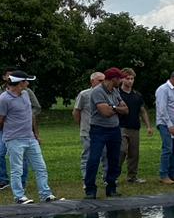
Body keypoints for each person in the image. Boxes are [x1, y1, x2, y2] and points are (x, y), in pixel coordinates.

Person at [0, 71, 60, 204]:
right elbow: (1, 119)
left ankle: (46, 194)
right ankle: (19, 196)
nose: (27, 83)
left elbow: (30, 115)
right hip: (14, 139)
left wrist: (36, 134)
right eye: (25, 81)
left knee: (41, 167)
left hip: (30, 138)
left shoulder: (26, 94)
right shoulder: (4, 99)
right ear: (19, 83)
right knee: (17, 169)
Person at [83, 67, 128, 198]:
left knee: (115, 158)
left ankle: (111, 187)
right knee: (94, 158)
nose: (121, 81)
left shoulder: (115, 91)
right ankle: (90, 189)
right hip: (99, 129)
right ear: (113, 79)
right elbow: (105, 113)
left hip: (114, 129)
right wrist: (116, 109)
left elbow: (126, 110)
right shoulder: (98, 92)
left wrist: (113, 107)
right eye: (119, 78)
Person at [116, 68, 151, 184]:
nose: (130, 81)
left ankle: (132, 176)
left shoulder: (137, 95)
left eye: (132, 79)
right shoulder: (117, 94)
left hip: (135, 127)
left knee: (134, 153)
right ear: (122, 79)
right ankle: (113, 176)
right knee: (121, 151)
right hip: (120, 126)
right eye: (127, 78)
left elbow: (142, 111)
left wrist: (148, 126)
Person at [72, 71, 105, 180]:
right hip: (88, 130)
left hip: (103, 130)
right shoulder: (84, 94)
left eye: (104, 80)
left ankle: (107, 177)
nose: (102, 83)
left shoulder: (107, 93)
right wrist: (82, 125)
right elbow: (76, 111)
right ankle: (87, 178)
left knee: (106, 154)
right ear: (92, 81)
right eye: (100, 80)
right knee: (88, 155)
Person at [154, 69, 174, 184]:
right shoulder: (163, 89)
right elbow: (162, 109)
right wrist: (170, 125)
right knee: (167, 148)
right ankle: (163, 174)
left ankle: (173, 173)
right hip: (165, 123)